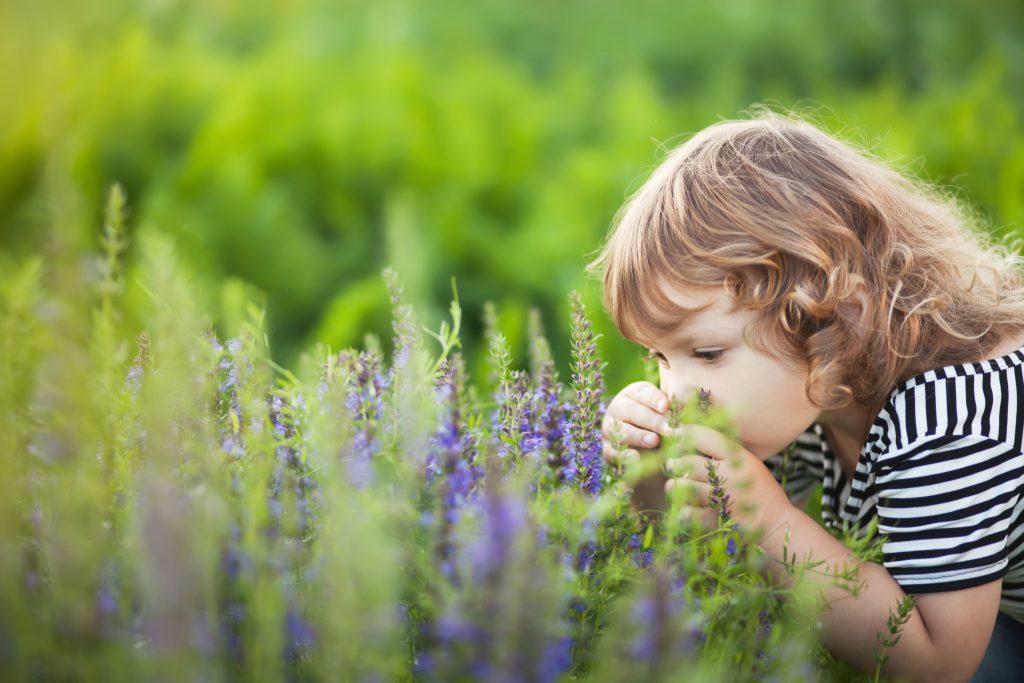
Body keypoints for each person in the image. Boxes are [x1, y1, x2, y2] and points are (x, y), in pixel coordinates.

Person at [590, 110, 1024, 682]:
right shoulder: (809, 385)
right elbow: (705, 562)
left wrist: (768, 523)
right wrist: (653, 480)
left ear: (841, 317)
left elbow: (941, 663)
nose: (678, 393)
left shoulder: (947, 421)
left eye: (709, 353)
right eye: (661, 358)